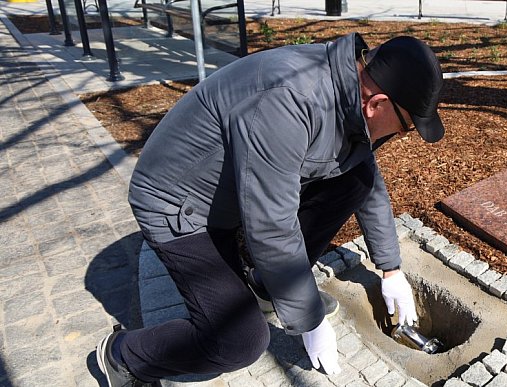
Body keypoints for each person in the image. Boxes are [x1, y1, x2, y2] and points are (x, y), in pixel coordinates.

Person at [95, 31, 445, 386]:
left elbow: (365, 176)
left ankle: (265, 287)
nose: (404, 135)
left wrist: (390, 268)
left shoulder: (347, 90)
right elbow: (271, 227)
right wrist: (309, 318)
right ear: (377, 104)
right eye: (406, 127)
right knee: (239, 342)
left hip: (231, 192)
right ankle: (124, 354)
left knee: (356, 180)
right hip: (180, 204)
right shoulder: (287, 101)